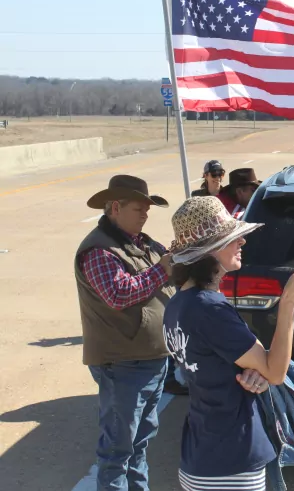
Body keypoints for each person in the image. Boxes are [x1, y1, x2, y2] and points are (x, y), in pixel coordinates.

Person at [162, 196, 294, 491]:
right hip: (231, 462)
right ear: (209, 251)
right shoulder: (210, 309)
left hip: (201, 455)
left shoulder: (178, 304)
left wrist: (256, 372)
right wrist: (288, 302)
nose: (242, 241)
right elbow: (275, 371)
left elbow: (226, 363)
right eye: (232, 238)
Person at [75, 174, 175, 491]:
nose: (146, 214)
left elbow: (170, 270)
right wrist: (163, 268)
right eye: (139, 208)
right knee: (118, 452)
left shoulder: (142, 243)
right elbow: (118, 295)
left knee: (138, 446)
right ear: (116, 208)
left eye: (147, 208)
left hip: (149, 360)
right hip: (123, 363)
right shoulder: (99, 250)